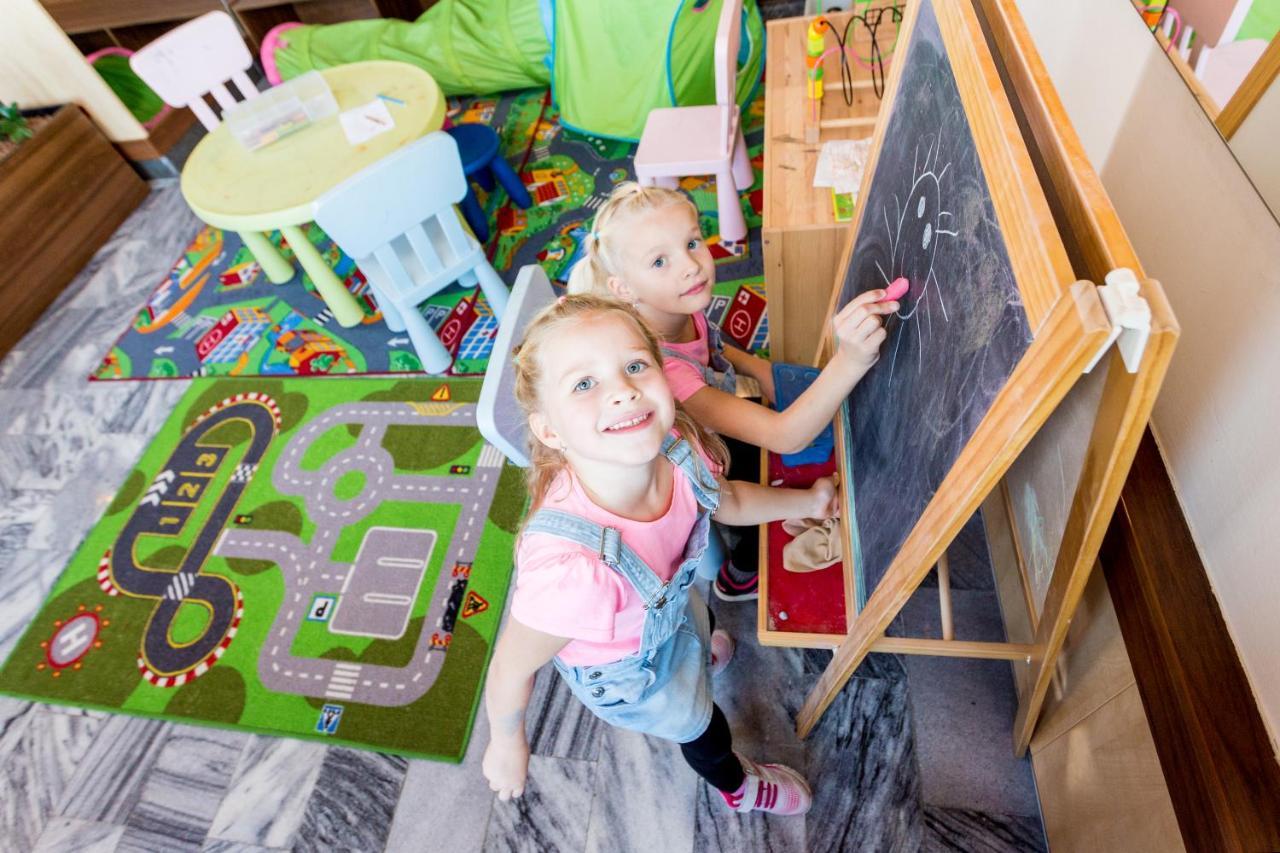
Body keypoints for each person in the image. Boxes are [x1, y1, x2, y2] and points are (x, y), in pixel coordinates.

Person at [481, 294, 839, 814]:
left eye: (633, 366)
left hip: (669, 609)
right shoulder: (571, 575)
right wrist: (506, 742)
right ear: (550, 430)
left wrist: (806, 500)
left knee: (700, 618)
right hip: (629, 671)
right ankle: (735, 787)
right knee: (701, 724)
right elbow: (511, 668)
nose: (624, 392)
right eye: (585, 384)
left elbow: (726, 499)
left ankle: (697, 656)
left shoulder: (671, 443)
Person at [566, 182, 896, 601]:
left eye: (692, 242)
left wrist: (775, 377)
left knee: (808, 429)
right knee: (771, 490)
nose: (690, 265)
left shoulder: (673, 307)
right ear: (624, 289)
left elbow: (718, 350)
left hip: (704, 428)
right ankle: (740, 572)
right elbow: (783, 438)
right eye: (660, 261)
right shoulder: (664, 372)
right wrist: (849, 361)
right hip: (689, 483)